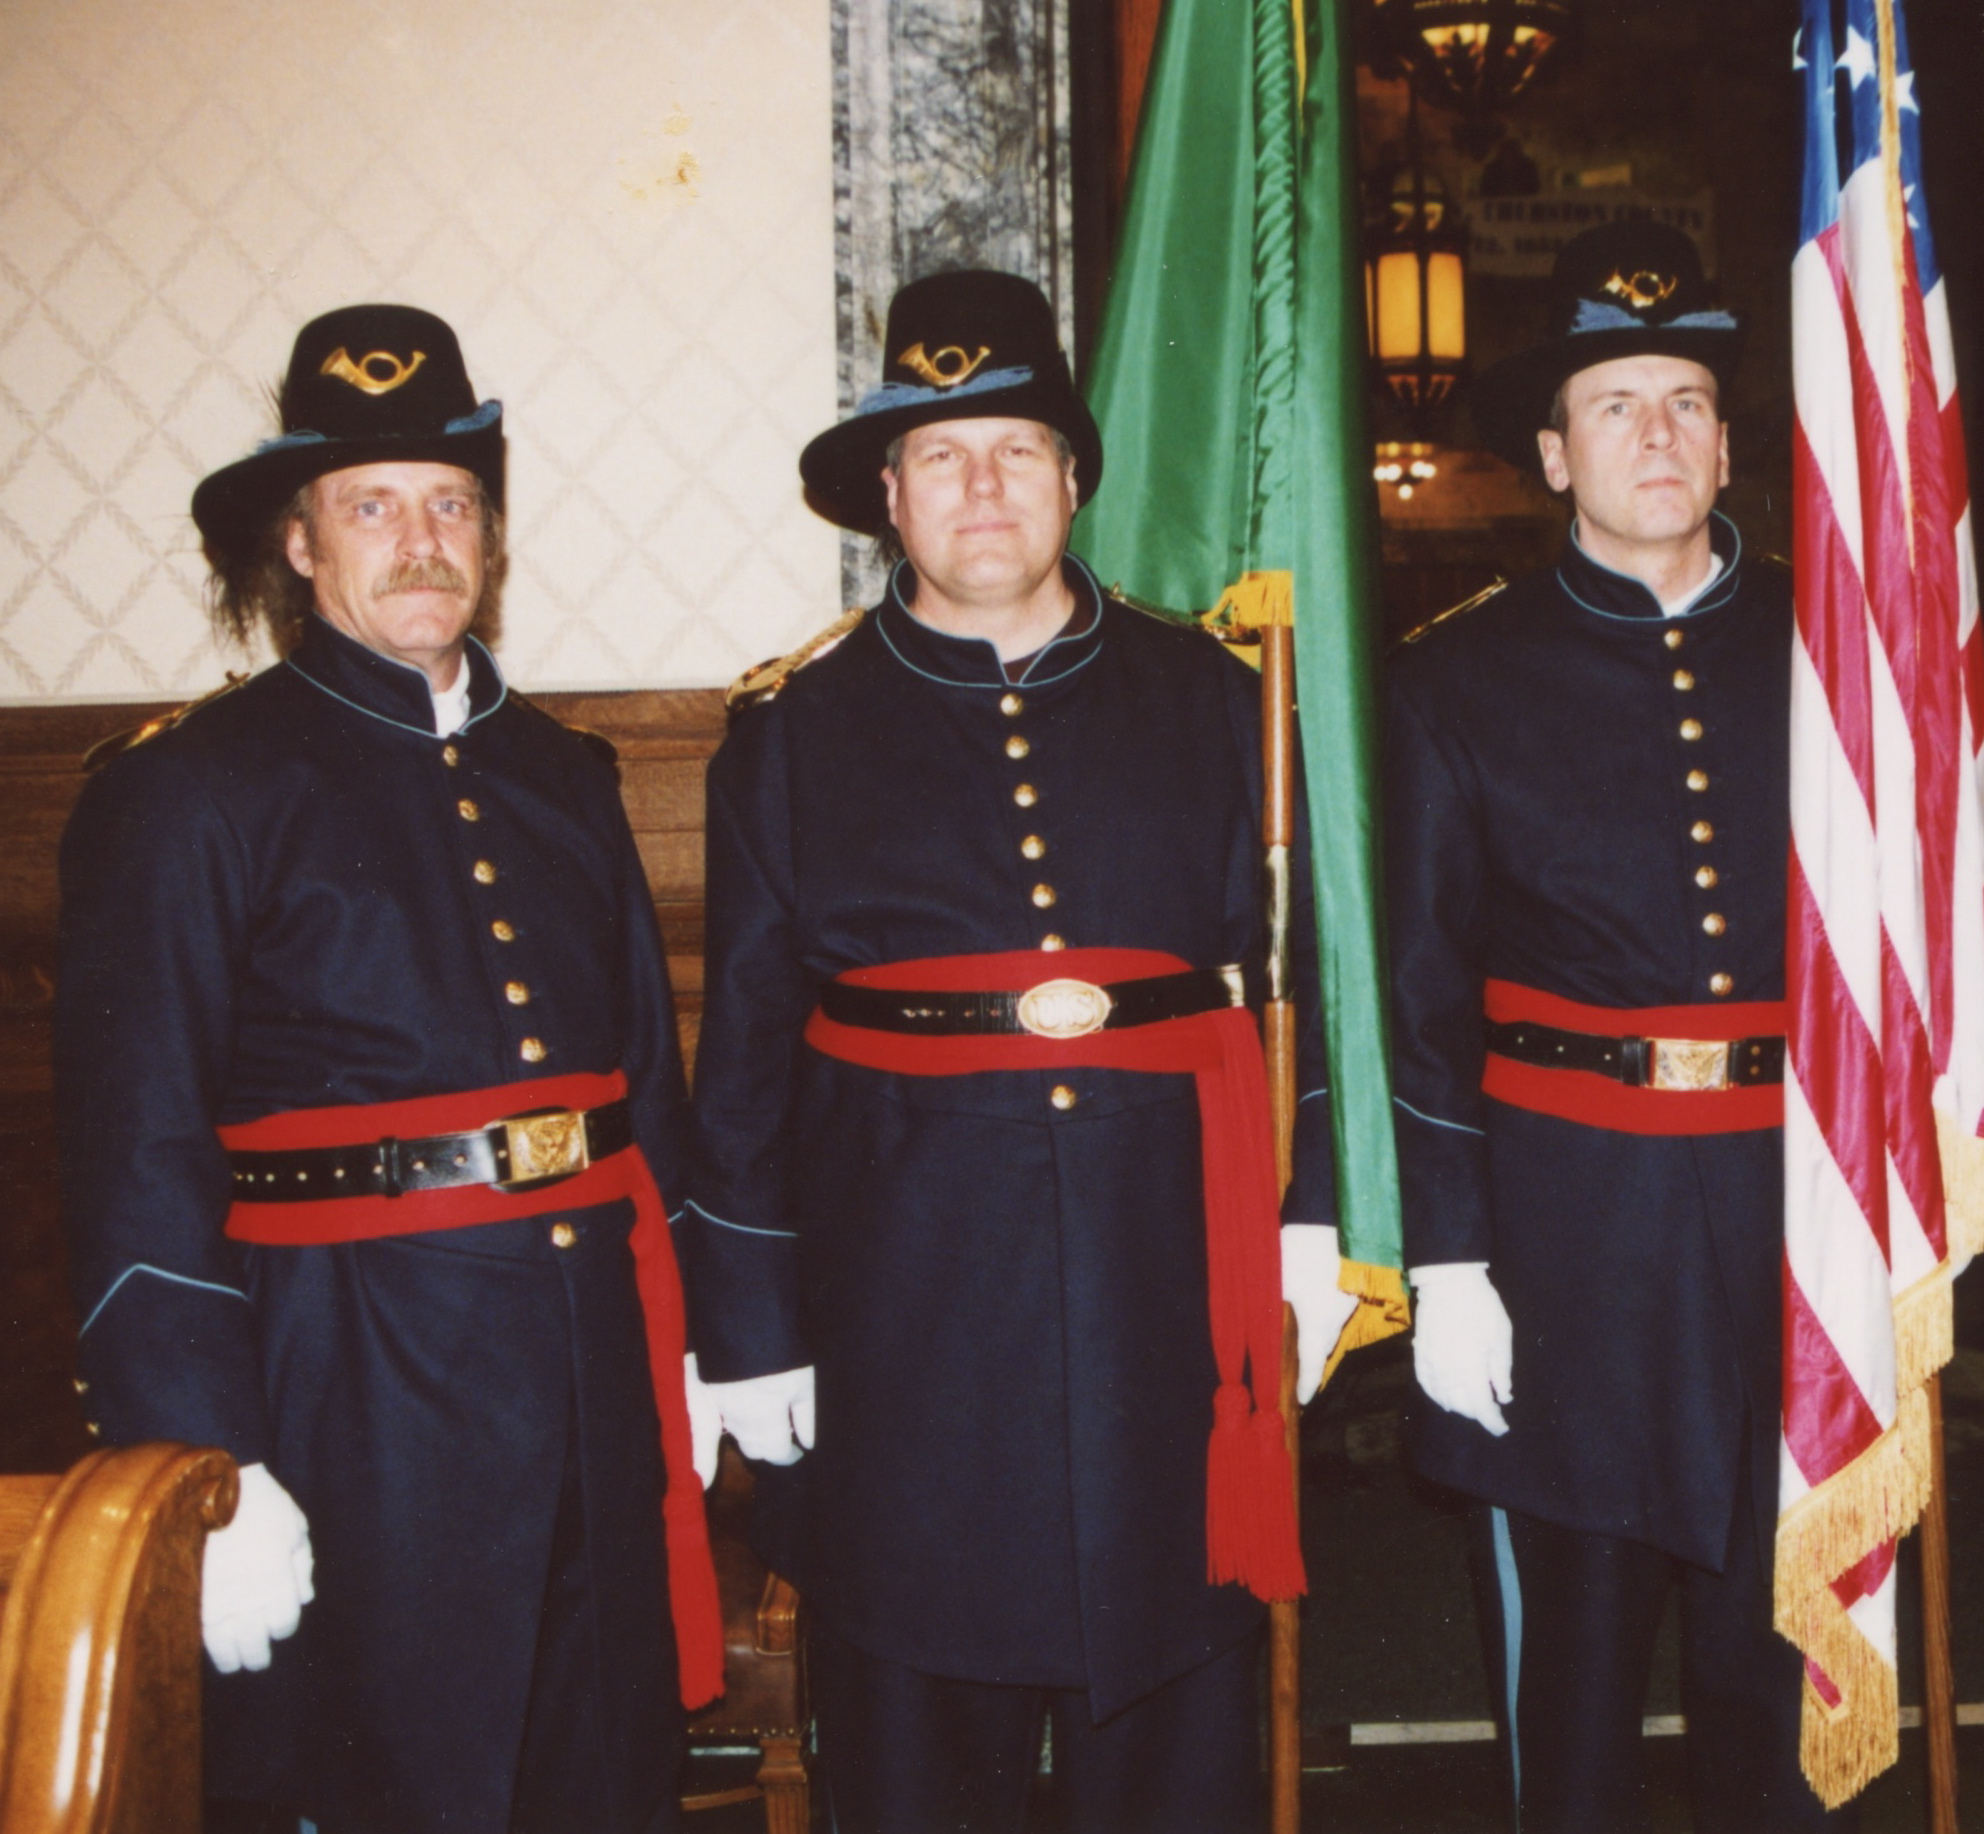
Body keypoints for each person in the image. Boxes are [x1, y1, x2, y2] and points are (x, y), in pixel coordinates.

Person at [681, 268, 1357, 1832]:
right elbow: (748, 1067)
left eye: (1016, 448)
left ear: (1072, 476)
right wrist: (752, 1319)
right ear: (888, 498)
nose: (982, 485)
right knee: (921, 1745)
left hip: (1165, 1304)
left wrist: (1317, 1214)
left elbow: (1306, 976)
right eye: (939, 454)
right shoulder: (791, 731)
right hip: (906, 1319)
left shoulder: (1222, 701)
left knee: (1177, 1712)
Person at [56, 304, 722, 1832]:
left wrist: (683, 1342)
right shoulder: (187, 793)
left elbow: (645, 1098)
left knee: (595, 1771)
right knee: (392, 1780)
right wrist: (204, 1466)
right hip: (349, 1381)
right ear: (299, 543)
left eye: (451, 503)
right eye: (372, 505)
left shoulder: (566, 773)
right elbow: (135, 1155)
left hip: (589, 1363)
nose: (420, 539)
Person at [1385, 221, 1843, 1833]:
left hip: (1803, 1220)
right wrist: (1446, 1255)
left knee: (1785, 1663)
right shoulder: (1454, 678)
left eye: (1690, 398)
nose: (1658, 434)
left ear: (1729, 437)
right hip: (1566, 1231)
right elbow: (1419, 994)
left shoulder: (1839, 655)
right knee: (1571, 1685)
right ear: (1549, 448)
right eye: (1616, 402)